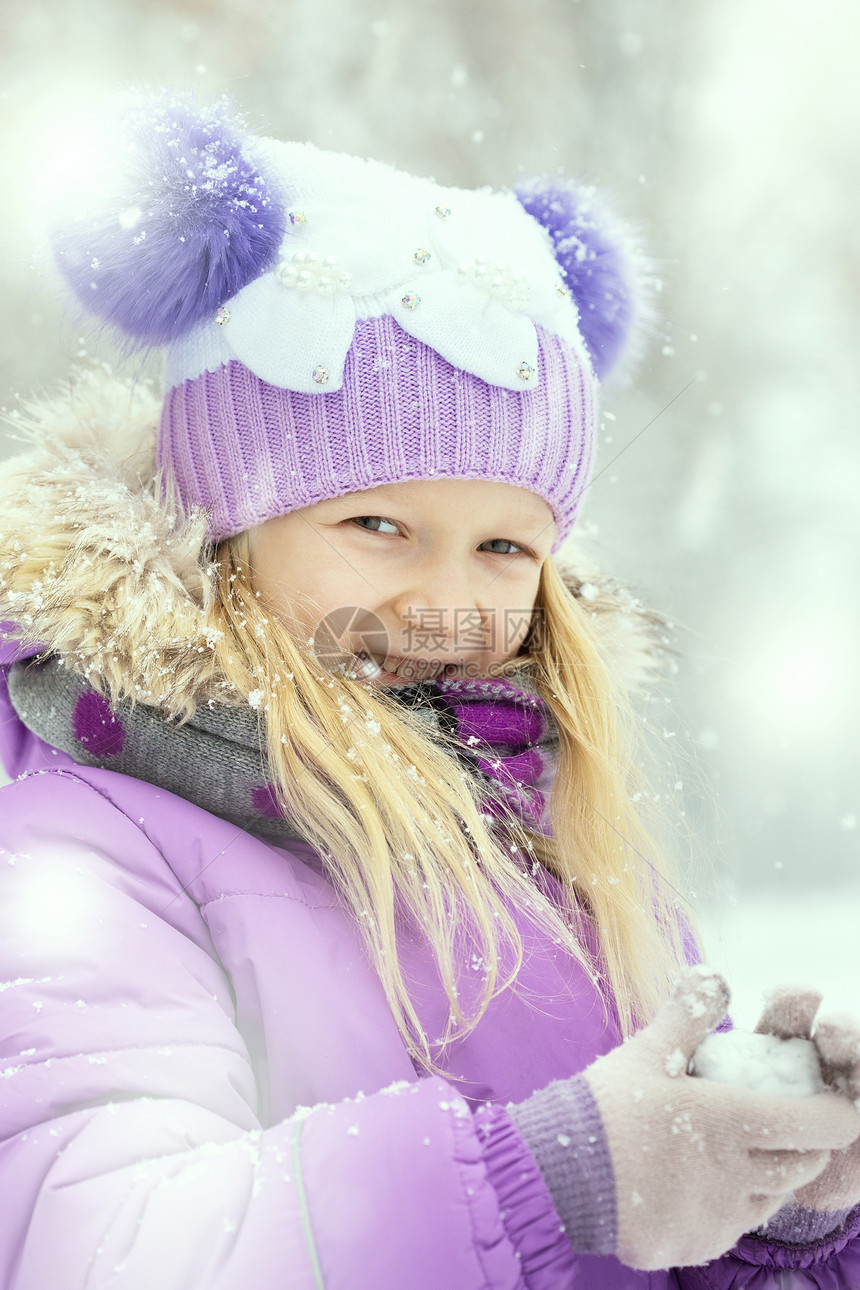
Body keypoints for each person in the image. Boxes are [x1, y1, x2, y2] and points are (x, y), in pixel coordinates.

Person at [0, 90, 858, 1290]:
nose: (443, 601)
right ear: (224, 520)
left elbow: (642, 1233)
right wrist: (553, 1183)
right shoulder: (88, 832)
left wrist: (770, 1215)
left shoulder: (546, 816)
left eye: (503, 548)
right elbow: (101, 1247)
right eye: (377, 523)